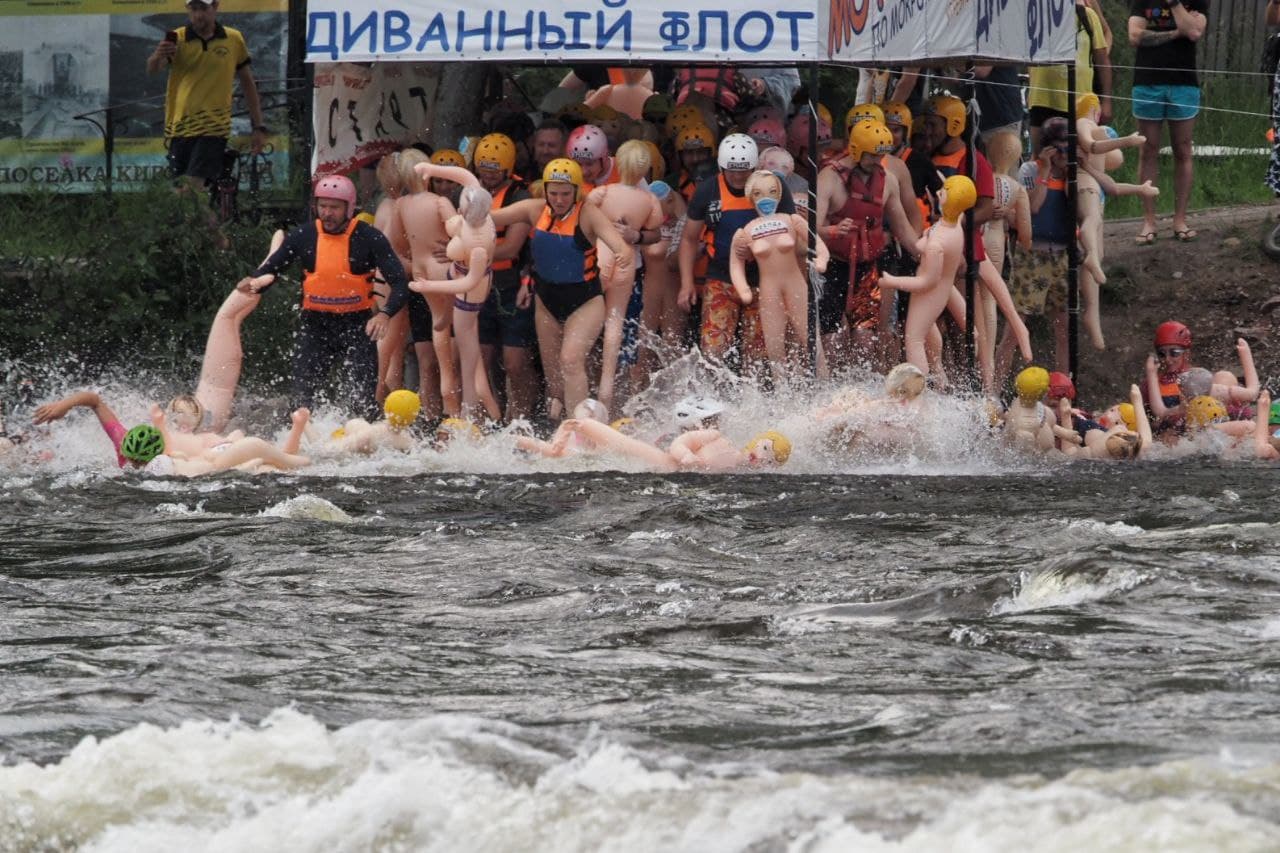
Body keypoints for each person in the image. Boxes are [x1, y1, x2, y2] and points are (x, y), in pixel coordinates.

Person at [236, 174, 409, 420]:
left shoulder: (369, 237)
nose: (327, 213)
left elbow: (400, 283)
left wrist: (385, 314)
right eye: (322, 206)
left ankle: (366, 441)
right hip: (315, 325)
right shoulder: (303, 235)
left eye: (334, 208)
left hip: (357, 325)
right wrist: (254, 283)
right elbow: (271, 269)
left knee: (362, 400)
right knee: (301, 400)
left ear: (350, 208)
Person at [489, 158, 634, 419]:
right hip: (546, 302)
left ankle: (580, 428)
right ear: (545, 191)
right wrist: (465, 213)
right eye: (553, 193)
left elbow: (617, 244)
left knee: (570, 360)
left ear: (577, 191)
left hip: (585, 302)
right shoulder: (534, 210)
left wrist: (623, 254)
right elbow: (491, 217)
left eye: (566, 194)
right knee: (555, 381)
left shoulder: (588, 214)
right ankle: (564, 425)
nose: (559, 199)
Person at [678, 133, 799, 367]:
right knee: (713, 350)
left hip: (765, 277)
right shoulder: (707, 191)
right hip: (721, 276)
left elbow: (791, 228)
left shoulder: (773, 186)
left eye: (743, 170)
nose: (737, 176)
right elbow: (689, 239)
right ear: (722, 168)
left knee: (759, 354)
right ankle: (714, 396)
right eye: (731, 170)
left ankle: (757, 396)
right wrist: (686, 283)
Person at [816, 119, 920, 370]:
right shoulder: (829, 178)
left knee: (865, 340)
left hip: (866, 269)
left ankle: (862, 390)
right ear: (856, 151)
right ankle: (830, 393)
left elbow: (903, 229)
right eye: (872, 156)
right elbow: (811, 230)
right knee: (831, 341)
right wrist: (832, 230)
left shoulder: (888, 181)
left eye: (881, 156)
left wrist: (928, 255)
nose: (878, 162)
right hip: (832, 268)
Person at [33, 390, 310, 475]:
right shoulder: (124, 443)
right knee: (259, 462)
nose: (134, 465)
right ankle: (294, 441)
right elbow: (94, 400)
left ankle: (297, 443)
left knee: (258, 457)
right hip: (222, 457)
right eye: (132, 461)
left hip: (219, 454)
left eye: (138, 462)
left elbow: (94, 400)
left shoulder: (170, 460)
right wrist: (63, 406)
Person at [146, 0, 265, 194]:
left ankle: (205, 223)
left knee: (193, 188)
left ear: (215, 7)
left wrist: (258, 126)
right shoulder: (178, 37)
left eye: (203, 8)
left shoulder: (233, 39)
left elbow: (247, 83)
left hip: (213, 127)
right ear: (188, 10)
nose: (198, 15)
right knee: (181, 193)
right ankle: (212, 223)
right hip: (180, 126)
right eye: (194, 9)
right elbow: (153, 70)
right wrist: (158, 55)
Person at [585, 140, 665, 409]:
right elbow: (658, 232)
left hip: (604, 260)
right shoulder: (649, 199)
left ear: (617, 162)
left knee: (596, 318)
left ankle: (597, 388)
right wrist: (634, 234)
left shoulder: (603, 193)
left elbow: (583, 220)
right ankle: (606, 388)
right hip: (624, 260)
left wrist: (635, 234)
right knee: (614, 321)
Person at [731, 169, 829, 384]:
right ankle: (782, 395)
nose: (765, 198)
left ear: (779, 194)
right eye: (758, 193)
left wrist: (821, 261)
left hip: (796, 286)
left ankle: (825, 388)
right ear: (750, 197)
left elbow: (818, 245)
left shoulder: (792, 220)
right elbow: (735, 265)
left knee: (812, 341)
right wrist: (744, 290)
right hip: (769, 291)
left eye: (771, 191)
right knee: (775, 349)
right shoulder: (746, 231)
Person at [1128, 0, 1208, 244]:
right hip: (1147, 81)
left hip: (1183, 82)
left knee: (1183, 149)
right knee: (1148, 148)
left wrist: (1174, 3)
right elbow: (1135, 36)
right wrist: (1176, 32)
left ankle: (1179, 219)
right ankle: (1149, 221)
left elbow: (1194, 32)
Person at [472, 133, 538, 423]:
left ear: (507, 168)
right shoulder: (470, 193)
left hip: (512, 285)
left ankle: (523, 417)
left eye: (493, 169)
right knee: (481, 357)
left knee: (514, 362)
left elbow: (511, 246)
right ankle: (491, 418)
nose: (487, 175)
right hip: (479, 285)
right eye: (483, 168)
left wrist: (469, 250)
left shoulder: (520, 196)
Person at [1026, 0, 1111, 153]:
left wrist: (1106, 101)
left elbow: (1102, 60)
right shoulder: (1034, 14)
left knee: (1081, 157)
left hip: (1080, 100)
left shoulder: (1087, 15)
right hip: (1042, 98)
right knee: (1040, 157)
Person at [556, 417, 792, 472]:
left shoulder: (740, 474)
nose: (762, 458)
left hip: (668, 476)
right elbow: (681, 441)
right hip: (667, 463)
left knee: (599, 462)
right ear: (756, 442)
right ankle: (577, 425)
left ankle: (564, 453)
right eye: (764, 449)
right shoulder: (718, 437)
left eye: (769, 460)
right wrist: (685, 455)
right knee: (623, 444)